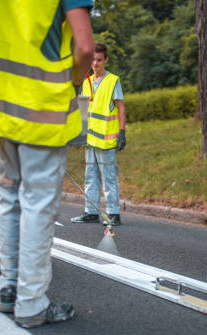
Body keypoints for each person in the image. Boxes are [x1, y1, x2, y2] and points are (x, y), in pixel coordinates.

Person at [0, 1, 94, 328]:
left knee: (7, 197)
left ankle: (8, 290)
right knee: (38, 203)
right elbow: (85, 47)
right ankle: (32, 303)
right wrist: (74, 83)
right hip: (41, 104)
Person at [70, 43, 126, 227]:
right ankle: (91, 211)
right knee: (90, 177)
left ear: (105, 60)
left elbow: (121, 108)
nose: (95, 63)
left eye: (99, 60)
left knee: (109, 177)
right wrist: (79, 132)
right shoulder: (86, 81)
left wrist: (122, 132)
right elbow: (83, 109)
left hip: (107, 139)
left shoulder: (113, 81)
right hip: (90, 139)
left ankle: (113, 214)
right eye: (93, 59)